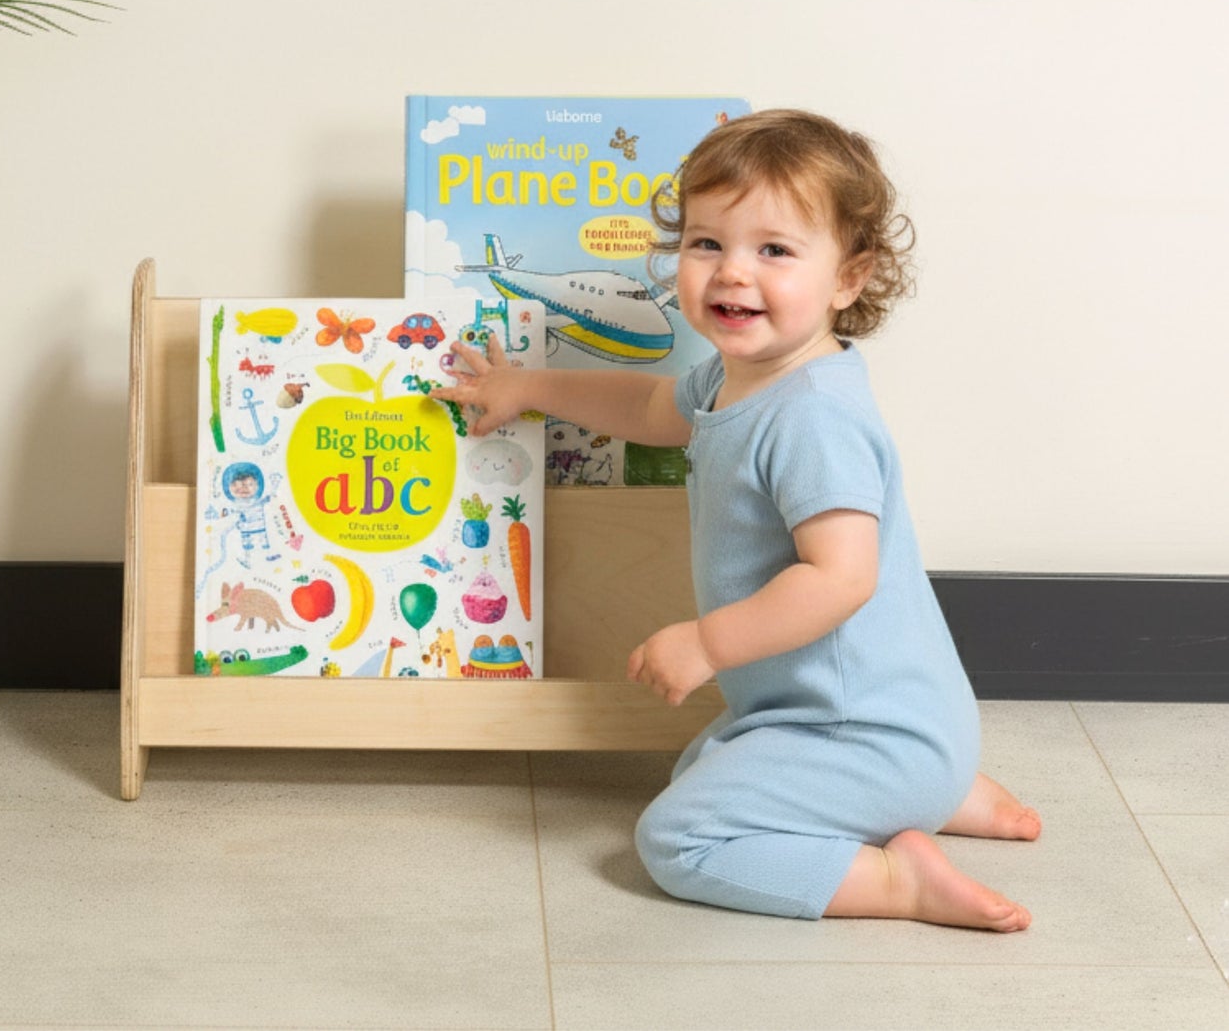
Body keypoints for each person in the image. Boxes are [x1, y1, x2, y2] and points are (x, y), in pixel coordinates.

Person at [434, 108, 1039, 931]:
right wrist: (528, 388)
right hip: (866, 719)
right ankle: (941, 788)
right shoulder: (741, 376)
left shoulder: (811, 416)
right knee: (704, 762)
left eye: (774, 250)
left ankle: (896, 877)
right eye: (706, 243)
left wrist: (708, 642)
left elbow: (841, 575)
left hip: (863, 731)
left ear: (847, 280)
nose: (730, 273)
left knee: (680, 835)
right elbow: (651, 402)